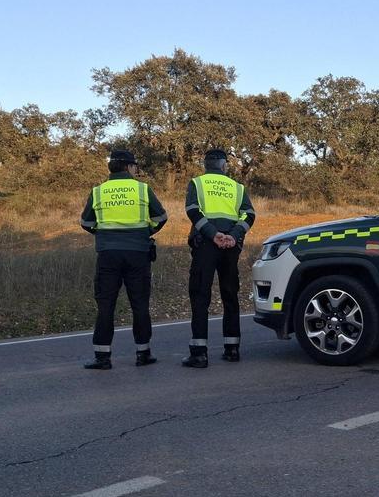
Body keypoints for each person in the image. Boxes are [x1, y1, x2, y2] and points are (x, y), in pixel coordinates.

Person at [79, 148, 167, 369]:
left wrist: (104, 234)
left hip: (108, 255)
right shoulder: (142, 189)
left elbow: (86, 223)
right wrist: (145, 232)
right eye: (135, 166)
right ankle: (143, 353)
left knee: (106, 305)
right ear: (128, 167)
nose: (136, 170)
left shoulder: (98, 191)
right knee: (139, 303)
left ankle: (102, 357)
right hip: (138, 254)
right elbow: (161, 217)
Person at [182, 149, 256, 368]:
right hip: (230, 246)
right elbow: (249, 215)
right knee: (230, 294)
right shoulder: (237, 187)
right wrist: (233, 235)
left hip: (206, 244)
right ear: (224, 165)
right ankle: (232, 349)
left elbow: (193, 211)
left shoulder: (197, 183)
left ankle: (199, 354)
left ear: (206, 165)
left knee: (200, 295)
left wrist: (213, 234)